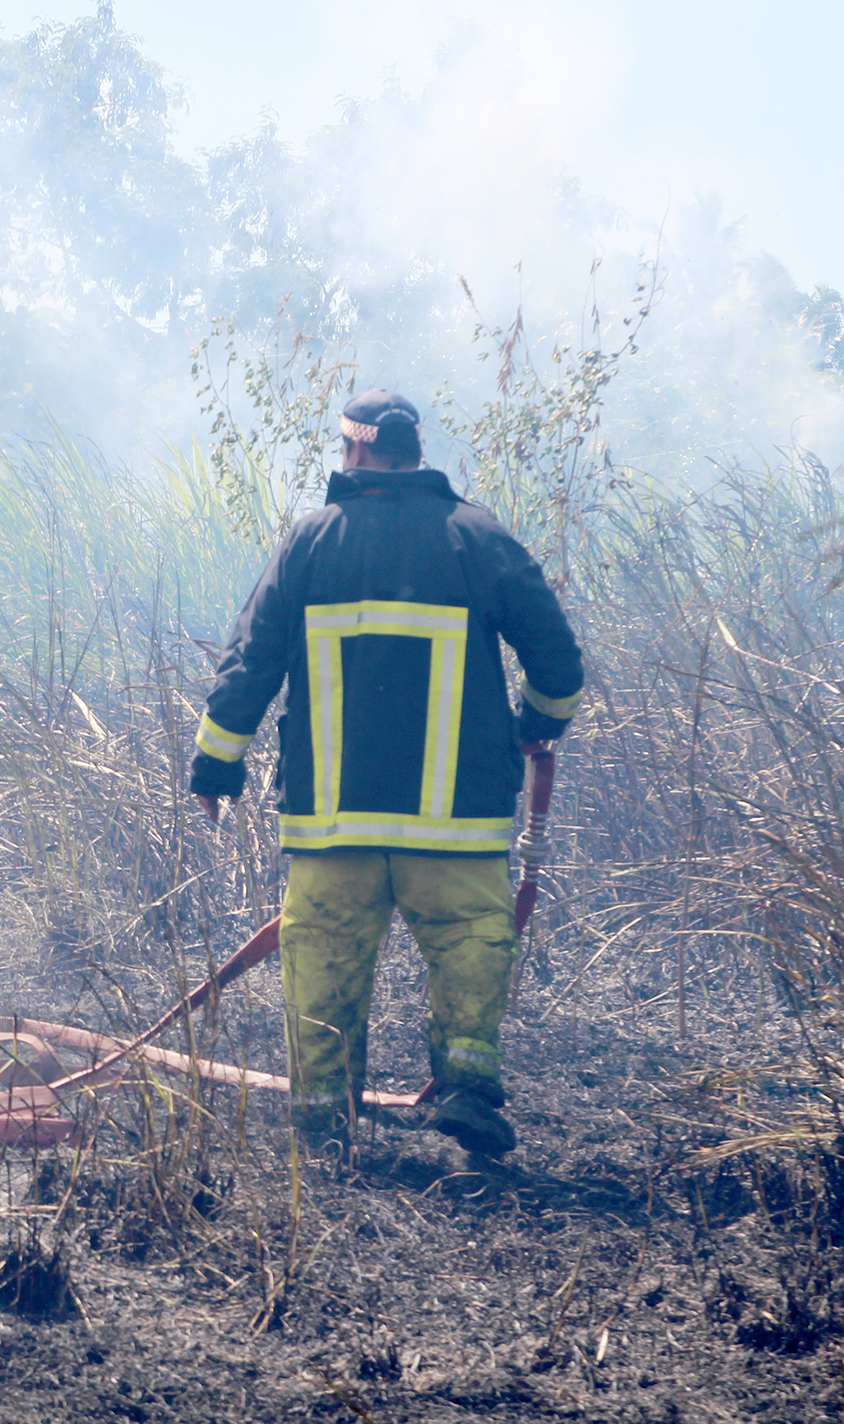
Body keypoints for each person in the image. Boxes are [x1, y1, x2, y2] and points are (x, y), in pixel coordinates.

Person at [189, 389, 584, 1160]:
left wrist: (217, 762)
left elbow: (250, 661)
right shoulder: (479, 538)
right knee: (471, 939)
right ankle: (467, 1088)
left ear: (360, 450)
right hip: (457, 823)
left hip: (335, 825)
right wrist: (537, 725)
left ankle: (321, 1117)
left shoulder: (311, 542)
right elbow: (558, 663)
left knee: (324, 951)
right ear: (413, 451)